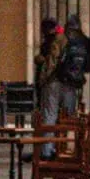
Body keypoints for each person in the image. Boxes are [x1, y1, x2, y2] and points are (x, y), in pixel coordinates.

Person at [34, 17, 65, 155]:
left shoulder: (50, 42)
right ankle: (60, 149)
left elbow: (48, 63)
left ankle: (47, 150)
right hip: (67, 83)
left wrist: (40, 61)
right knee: (63, 116)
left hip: (51, 82)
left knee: (49, 115)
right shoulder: (65, 40)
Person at [59, 13, 90, 120]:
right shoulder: (86, 41)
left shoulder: (67, 42)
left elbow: (62, 60)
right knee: (74, 105)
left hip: (67, 78)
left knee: (68, 109)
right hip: (79, 77)